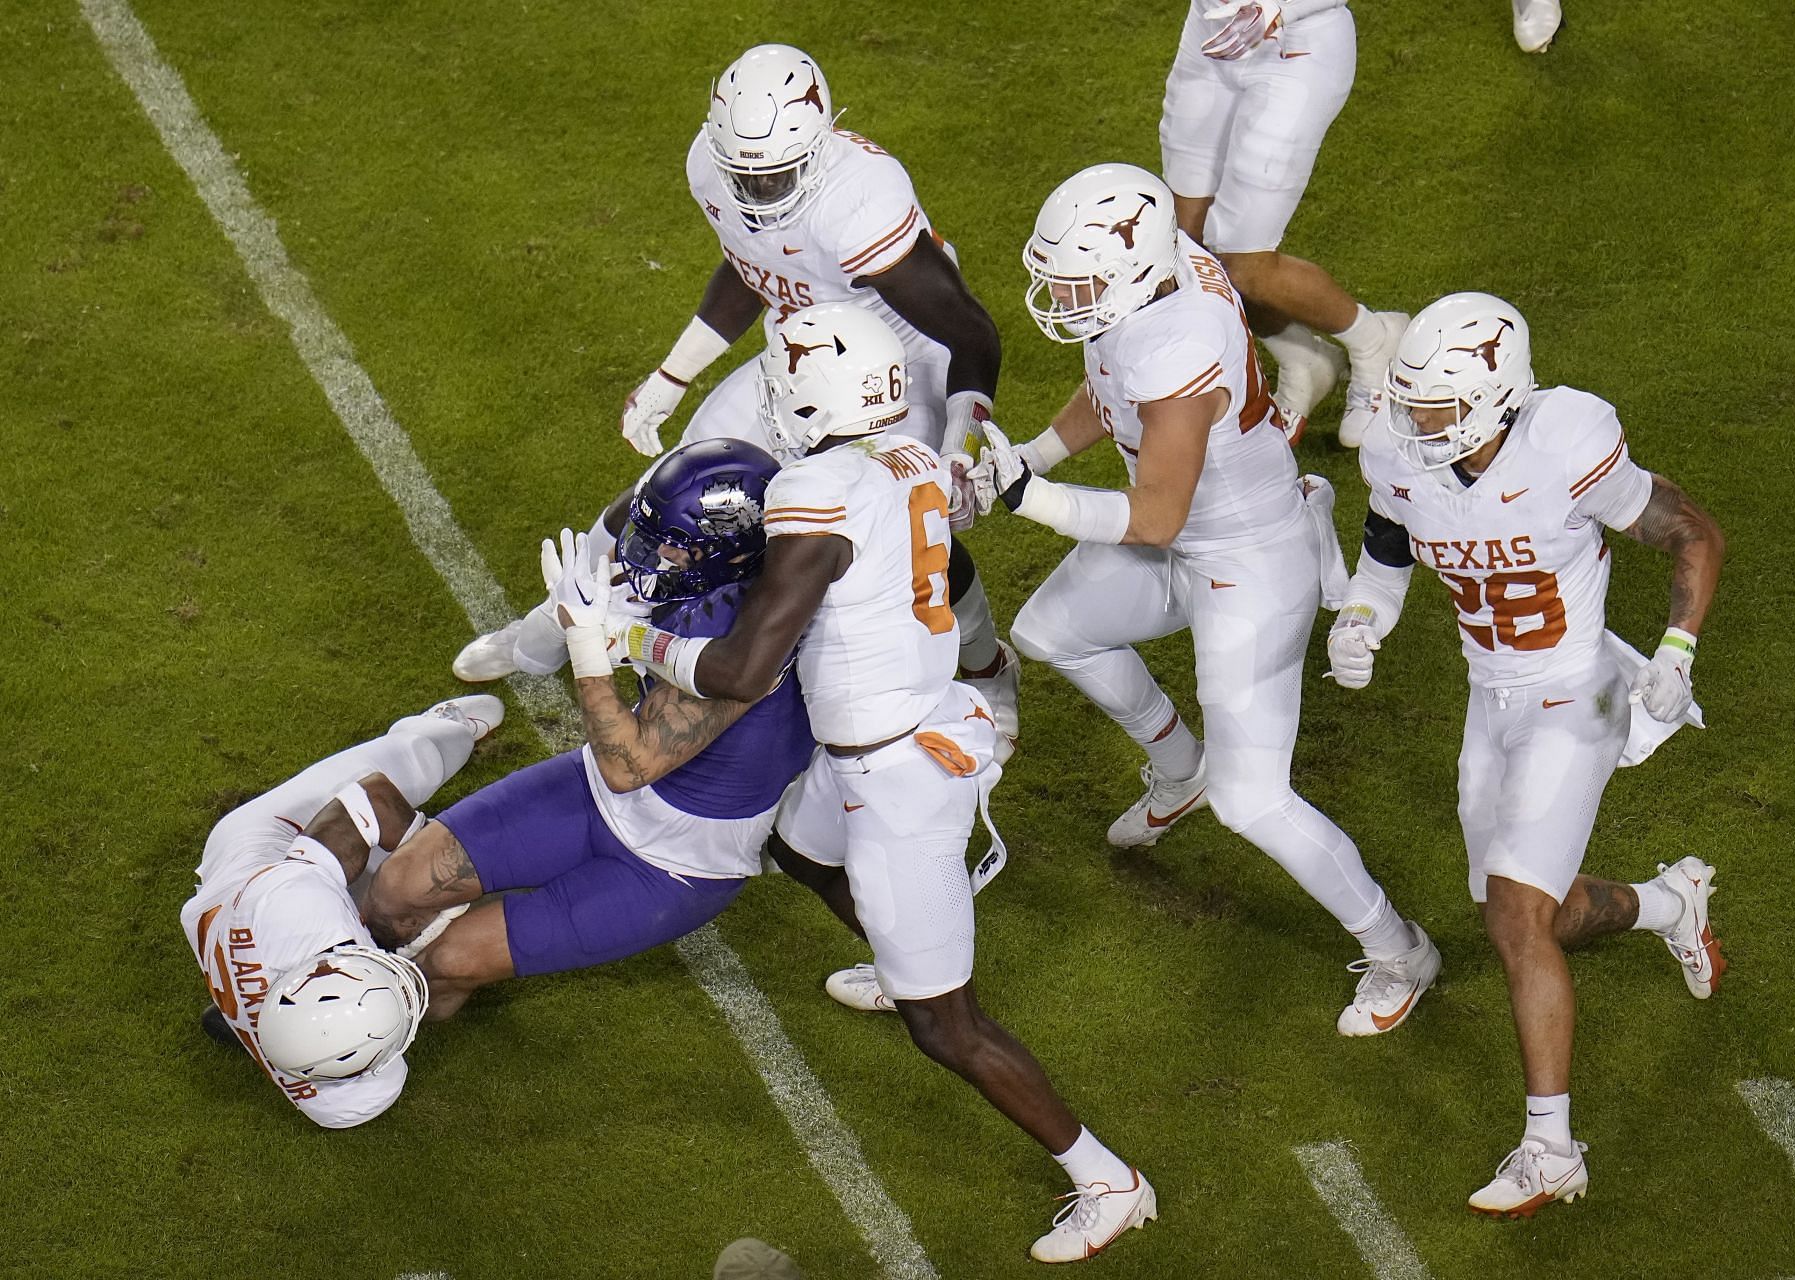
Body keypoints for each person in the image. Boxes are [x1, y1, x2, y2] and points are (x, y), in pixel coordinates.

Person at [595, 302, 1155, 1264]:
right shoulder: (912, 457)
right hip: (913, 724)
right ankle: (903, 958)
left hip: (899, 771)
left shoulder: (817, 491)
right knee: (801, 848)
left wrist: (625, 639)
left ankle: (1106, 1178)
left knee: (950, 1028)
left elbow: (740, 670)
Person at [974, 162, 1440, 1038]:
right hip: (1201, 532)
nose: (1061, 297)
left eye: (1077, 283)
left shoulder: (1179, 342)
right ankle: (1178, 770)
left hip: (1245, 562)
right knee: (1050, 631)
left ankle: (1399, 949)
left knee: (1254, 801)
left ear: (1132, 272)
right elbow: (1112, 391)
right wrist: (1032, 454)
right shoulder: (1157, 273)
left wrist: (1020, 496)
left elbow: (1153, 517)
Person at [1329, 291, 1726, 1215]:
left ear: (1499, 399)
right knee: (1528, 915)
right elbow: (1388, 549)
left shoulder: (1565, 445)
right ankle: (1671, 904)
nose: (1411, 424)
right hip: (1490, 698)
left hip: (1576, 692)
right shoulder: (1400, 450)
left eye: (1435, 409)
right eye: (1409, 402)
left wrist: (1677, 648)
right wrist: (1362, 614)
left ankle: (1551, 1149)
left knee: (1513, 917)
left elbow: (1691, 531)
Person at [615, 42, 1021, 739]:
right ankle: (577, 623)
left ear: (820, 142)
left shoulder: (858, 203)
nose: (761, 193)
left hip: (898, 349)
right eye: (747, 175)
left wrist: (958, 445)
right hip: (801, 343)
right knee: (688, 481)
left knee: (906, 518)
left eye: (776, 175)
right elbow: (754, 265)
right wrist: (671, 374)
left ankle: (987, 668)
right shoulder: (711, 167)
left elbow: (972, 335)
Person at [363, 441, 815, 1019]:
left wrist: (590, 643)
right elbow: (542, 656)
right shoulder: (695, 577)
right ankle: (338, 975)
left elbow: (628, 767)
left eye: (668, 550)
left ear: (727, 555)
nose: (645, 559)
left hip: (674, 862)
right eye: (645, 535)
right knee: (396, 887)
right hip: (594, 791)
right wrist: (560, 618)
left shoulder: (752, 638)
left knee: (448, 962)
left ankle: (353, 1042)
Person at [182, 694, 503, 1128]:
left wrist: (431, 857)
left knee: (405, 767)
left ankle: (443, 729)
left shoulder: (294, 907)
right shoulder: (352, 1100)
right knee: (455, 949)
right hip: (282, 928)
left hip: (257, 857)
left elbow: (368, 799)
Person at [1161, 0, 1407, 446]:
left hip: (1298, 48)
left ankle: (1373, 340)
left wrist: (1282, 8)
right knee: (1185, 246)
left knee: (1242, 261)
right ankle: (1303, 360)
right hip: (1211, 34)